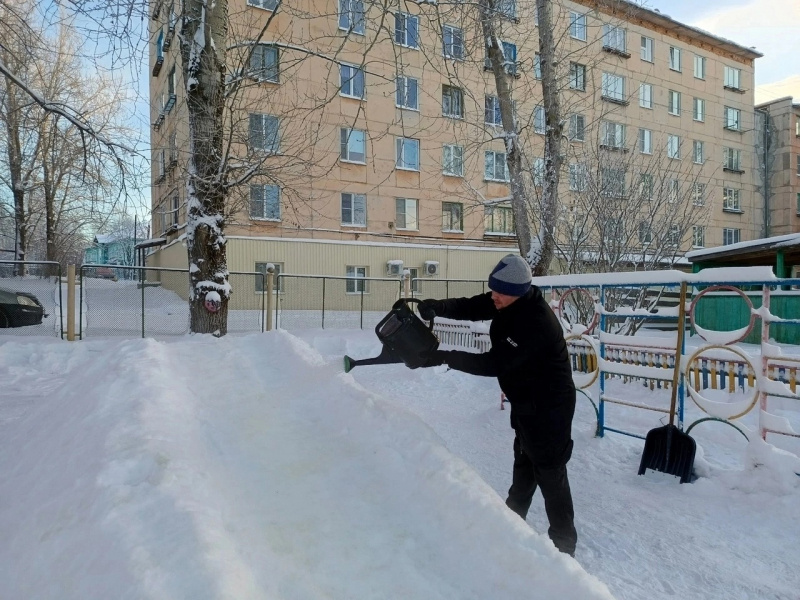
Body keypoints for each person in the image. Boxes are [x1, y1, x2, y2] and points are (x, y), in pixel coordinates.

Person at [416, 254, 578, 557]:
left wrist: (444, 356)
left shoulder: (536, 322)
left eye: (500, 292)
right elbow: (471, 306)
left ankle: (564, 550)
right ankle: (508, 530)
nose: (494, 296)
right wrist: (439, 306)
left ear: (518, 291)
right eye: (493, 289)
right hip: (526, 404)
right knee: (523, 469)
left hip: (549, 410)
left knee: (550, 475)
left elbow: (495, 363)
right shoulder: (507, 300)